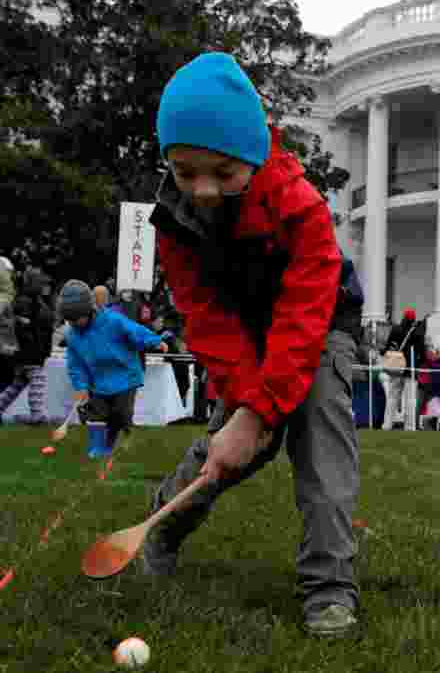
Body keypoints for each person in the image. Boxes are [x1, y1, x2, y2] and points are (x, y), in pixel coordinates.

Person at [140, 51, 361, 638]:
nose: (203, 190)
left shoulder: (304, 210)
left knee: (320, 431)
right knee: (235, 447)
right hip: (245, 336)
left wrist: (264, 407)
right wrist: (246, 410)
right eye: (185, 173)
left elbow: (303, 314)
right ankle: (163, 520)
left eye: (222, 172)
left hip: (319, 325)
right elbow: (207, 319)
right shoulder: (173, 222)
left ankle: (330, 585)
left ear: (255, 155)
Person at [58, 280, 168, 456]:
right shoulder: (72, 336)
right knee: (95, 414)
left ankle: (120, 437)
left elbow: (135, 330)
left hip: (125, 376)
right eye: (70, 319)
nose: (74, 323)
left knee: (121, 413)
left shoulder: (113, 320)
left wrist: (154, 341)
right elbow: (75, 364)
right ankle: (97, 447)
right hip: (98, 381)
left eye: (77, 317)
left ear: (89, 310)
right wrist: (80, 386)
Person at [0, 269, 55, 424]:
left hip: (30, 351)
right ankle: (37, 415)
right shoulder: (26, 301)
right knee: (37, 381)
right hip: (29, 351)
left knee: (17, 386)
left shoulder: (31, 300)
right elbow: (23, 326)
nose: (44, 285)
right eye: (40, 282)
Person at [380, 307, 425, 431]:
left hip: (396, 367)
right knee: (410, 398)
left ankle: (387, 425)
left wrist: (383, 352)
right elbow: (422, 351)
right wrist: (419, 363)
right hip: (411, 368)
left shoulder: (396, 329)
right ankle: (409, 426)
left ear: (403, 317)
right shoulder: (417, 332)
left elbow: (388, 346)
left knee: (392, 397)